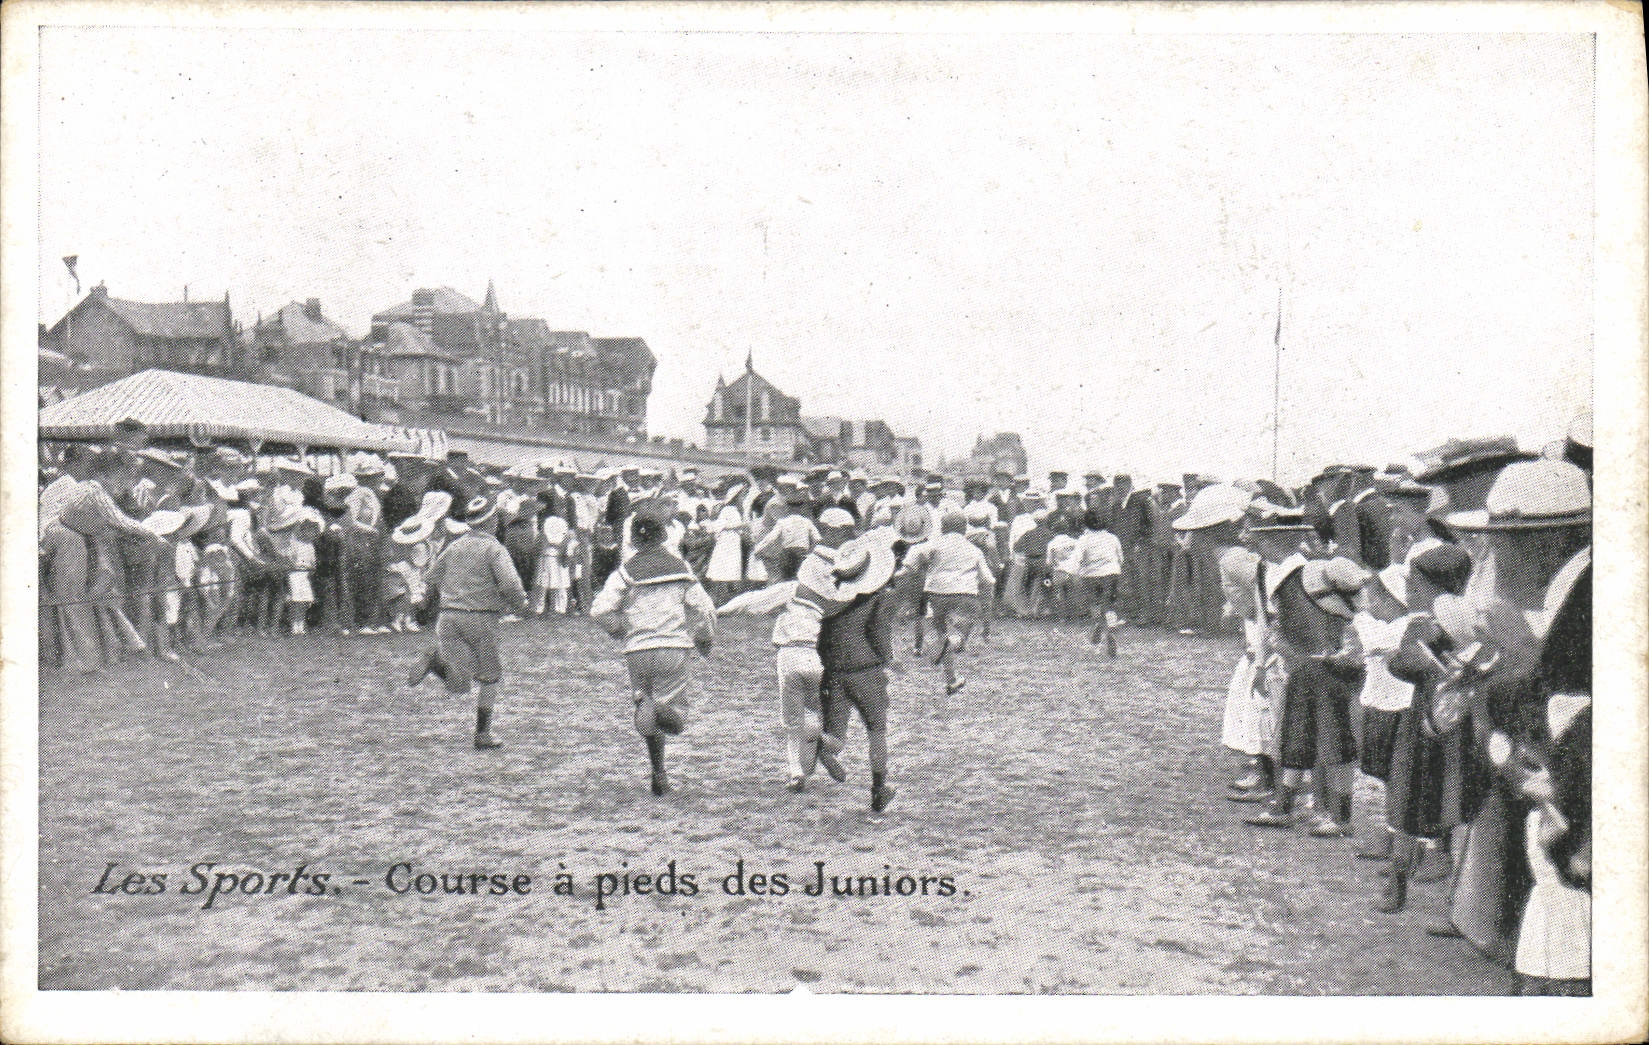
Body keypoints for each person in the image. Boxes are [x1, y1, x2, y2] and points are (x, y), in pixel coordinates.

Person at [591, 498, 718, 796]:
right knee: (676, 720)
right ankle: (657, 707)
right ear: (664, 536)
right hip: (673, 647)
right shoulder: (680, 567)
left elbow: (599, 609)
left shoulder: (627, 570)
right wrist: (704, 638)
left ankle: (658, 771)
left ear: (634, 539)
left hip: (637, 649)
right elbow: (705, 608)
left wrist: (618, 627)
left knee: (647, 713)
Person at [719, 544, 851, 791]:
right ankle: (822, 745)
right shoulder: (833, 600)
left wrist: (721, 611)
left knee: (792, 720)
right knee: (816, 712)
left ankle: (795, 771)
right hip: (818, 658)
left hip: (790, 655)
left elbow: (753, 601)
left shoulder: (792, 591)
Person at [413, 494, 528, 750]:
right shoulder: (494, 548)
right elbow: (509, 583)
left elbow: (431, 578)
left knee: (460, 684)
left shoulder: (455, 546)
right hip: (480, 618)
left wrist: (423, 605)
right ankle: (483, 734)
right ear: (493, 521)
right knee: (489, 677)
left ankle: (435, 662)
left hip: (447, 617)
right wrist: (521, 603)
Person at [818, 537, 901, 812]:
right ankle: (879, 789)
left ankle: (820, 746)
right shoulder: (881, 598)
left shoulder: (831, 600)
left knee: (836, 735)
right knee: (877, 730)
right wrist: (889, 660)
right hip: (865, 670)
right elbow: (878, 633)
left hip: (834, 668)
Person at [904, 508, 995, 696]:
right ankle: (950, 646)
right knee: (958, 640)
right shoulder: (974, 549)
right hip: (965, 594)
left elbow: (911, 560)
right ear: (963, 529)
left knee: (941, 637)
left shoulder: (933, 544)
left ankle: (952, 680)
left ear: (943, 527)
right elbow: (988, 580)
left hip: (936, 594)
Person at [1073, 506, 1125, 656]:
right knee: (1110, 603)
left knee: (1095, 603)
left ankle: (1099, 624)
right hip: (1112, 573)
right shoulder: (1112, 538)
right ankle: (1111, 626)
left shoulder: (1084, 539)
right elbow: (1121, 558)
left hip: (1091, 576)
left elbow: (1077, 559)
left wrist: (1075, 572)